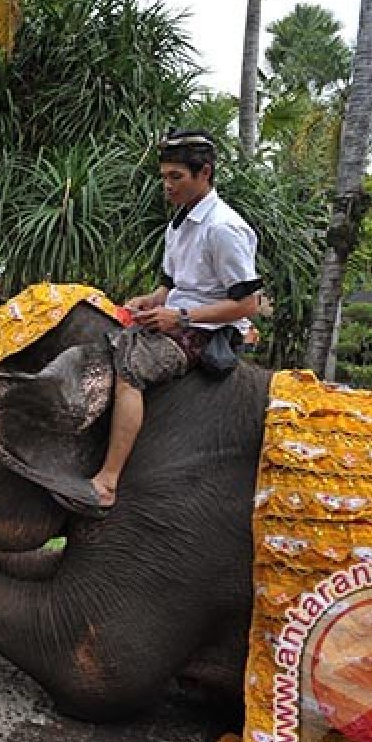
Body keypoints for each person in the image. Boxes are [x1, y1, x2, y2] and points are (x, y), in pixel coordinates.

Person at [89, 129, 261, 511]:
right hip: (177, 316)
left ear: (205, 174)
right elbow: (170, 286)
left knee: (131, 368)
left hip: (208, 329)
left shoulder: (224, 228)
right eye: (164, 177)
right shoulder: (180, 223)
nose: (167, 186)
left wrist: (180, 316)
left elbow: (248, 304)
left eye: (176, 177)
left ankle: (109, 480)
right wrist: (145, 303)